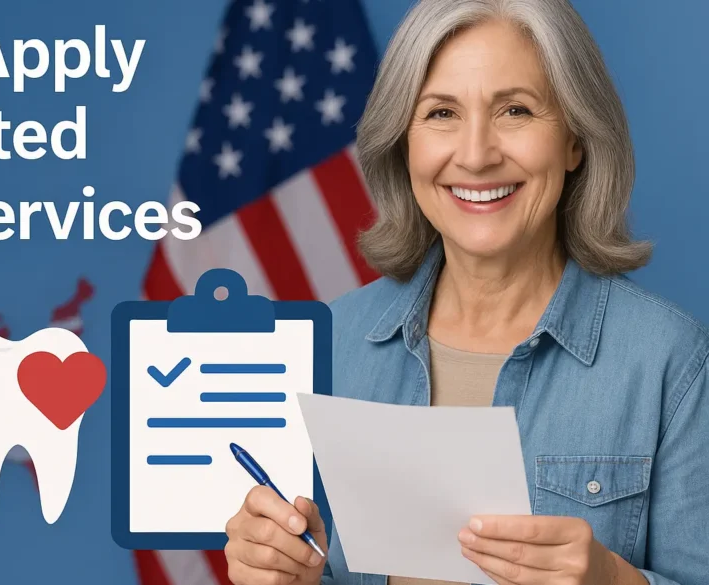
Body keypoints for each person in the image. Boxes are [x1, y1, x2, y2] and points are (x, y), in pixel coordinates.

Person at [222, 0, 709, 584]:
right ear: (405, 144)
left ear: (576, 140)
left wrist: (613, 580)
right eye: (442, 113)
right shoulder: (326, 343)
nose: (476, 155)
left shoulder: (672, 362)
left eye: (516, 110)